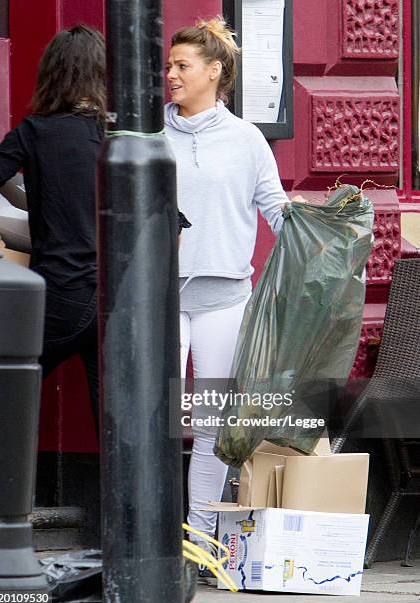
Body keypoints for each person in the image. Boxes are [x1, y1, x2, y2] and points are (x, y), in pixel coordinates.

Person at [164, 16, 289, 572]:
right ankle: (153, 536)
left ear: (214, 73)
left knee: (212, 427)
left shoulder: (246, 140)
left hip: (225, 301)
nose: (170, 75)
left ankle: (199, 543)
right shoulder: (149, 137)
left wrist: (325, 228)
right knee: (154, 416)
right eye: (168, 65)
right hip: (160, 299)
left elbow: (276, 209)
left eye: (182, 66)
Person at [0, 24, 106, 434]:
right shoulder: (116, 138)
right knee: (111, 421)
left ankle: (1, 491)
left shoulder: (34, 133)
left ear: (52, 72)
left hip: (62, 292)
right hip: (115, 299)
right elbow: (173, 219)